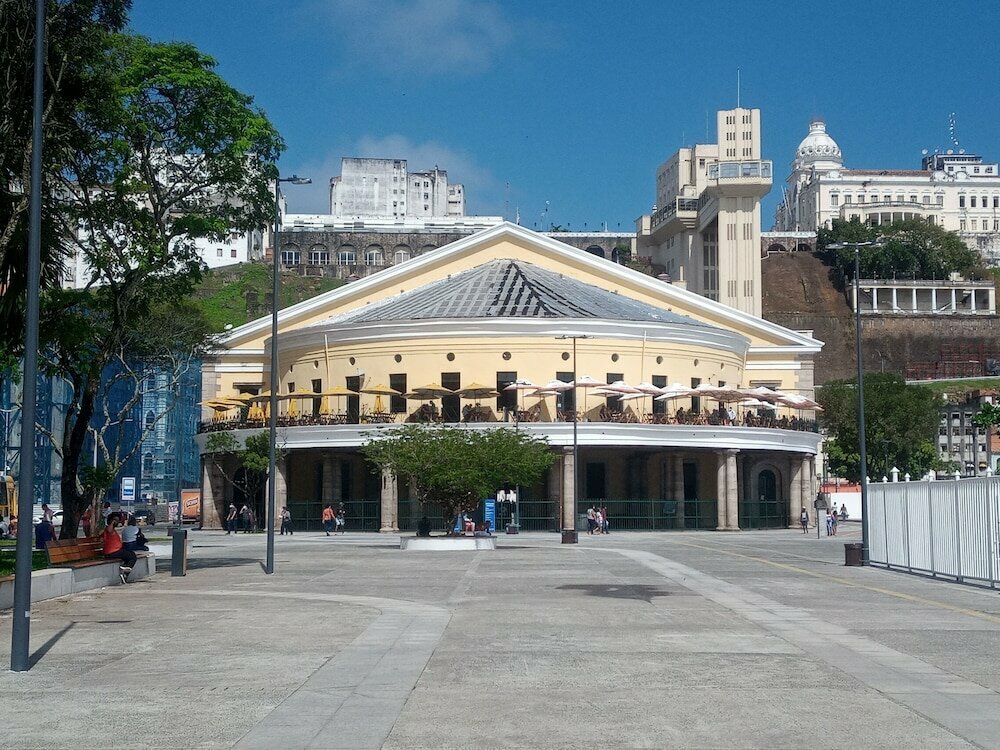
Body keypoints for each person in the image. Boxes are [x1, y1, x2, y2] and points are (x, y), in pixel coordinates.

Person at [102, 513, 136, 584]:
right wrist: (112, 522)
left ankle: (125, 574)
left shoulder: (113, 530)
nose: (117, 522)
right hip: (112, 552)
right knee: (132, 556)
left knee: (131, 554)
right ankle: (124, 568)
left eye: (118, 520)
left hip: (117, 551)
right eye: (116, 520)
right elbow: (109, 530)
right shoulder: (109, 529)